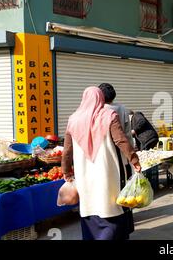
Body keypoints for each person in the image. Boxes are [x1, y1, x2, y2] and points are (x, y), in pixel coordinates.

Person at [61, 87, 141, 240]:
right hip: (107, 171)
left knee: (90, 204)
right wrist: (134, 160)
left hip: (84, 174)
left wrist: (66, 170)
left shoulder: (73, 119)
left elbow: (67, 150)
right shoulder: (109, 115)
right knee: (109, 205)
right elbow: (121, 140)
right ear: (101, 99)